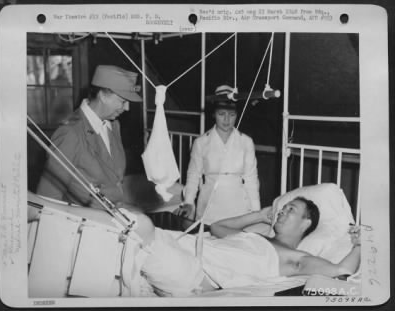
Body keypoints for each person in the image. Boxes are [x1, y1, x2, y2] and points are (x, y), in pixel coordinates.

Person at [133, 197, 361, 296]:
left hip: (191, 271)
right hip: (178, 245)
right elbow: (218, 228)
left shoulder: (294, 258)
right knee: (125, 227)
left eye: (290, 210)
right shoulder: (256, 238)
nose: (282, 211)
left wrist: (362, 244)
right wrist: (259, 215)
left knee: (135, 227)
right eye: (282, 208)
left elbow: (342, 271)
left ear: (306, 223)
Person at [36, 65, 142, 208]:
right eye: (123, 101)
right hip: (85, 220)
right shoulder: (70, 133)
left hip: (115, 212)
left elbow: (114, 180)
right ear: (103, 96)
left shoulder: (113, 125)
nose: (126, 108)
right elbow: (48, 196)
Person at [178, 85, 261, 225]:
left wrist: (256, 212)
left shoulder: (246, 142)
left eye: (232, 115)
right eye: (222, 114)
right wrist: (188, 202)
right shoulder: (201, 143)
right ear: (214, 114)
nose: (227, 120)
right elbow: (193, 175)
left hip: (238, 207)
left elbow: (251, 179)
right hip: (209, 206)